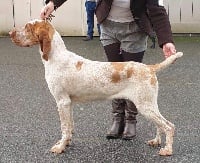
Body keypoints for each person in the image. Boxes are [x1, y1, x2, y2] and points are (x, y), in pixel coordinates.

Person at [40, 0, 176, 140]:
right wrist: (53, 3)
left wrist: (167, 40)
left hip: (135, 27)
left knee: (133, 77)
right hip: (108, 25)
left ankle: (130, 120)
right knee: (113, 75)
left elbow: (157, 8)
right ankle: (118, 118)